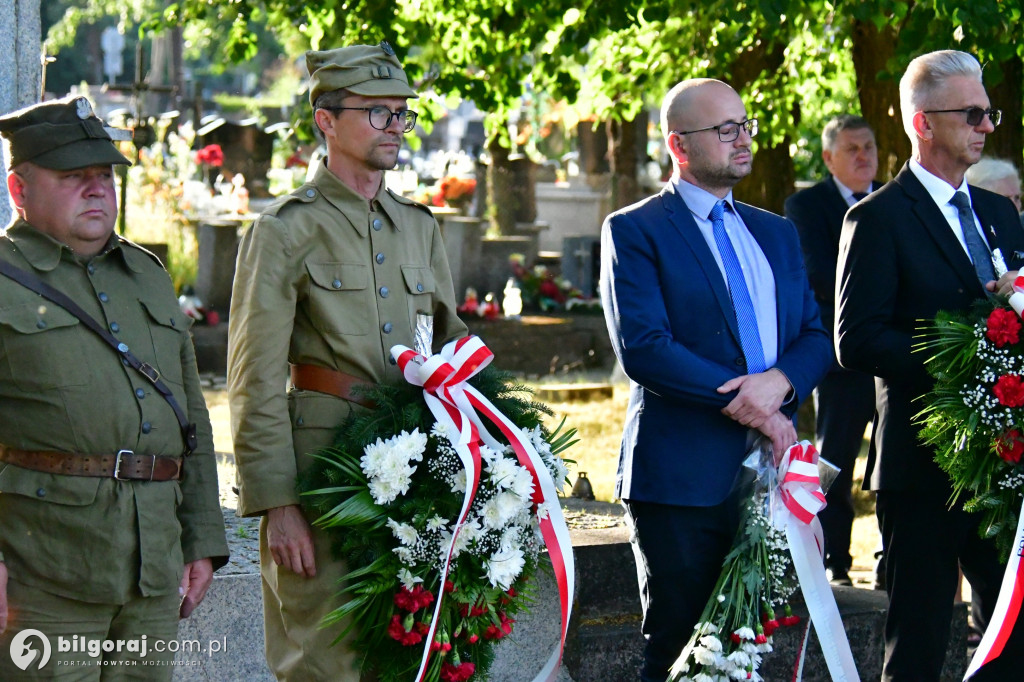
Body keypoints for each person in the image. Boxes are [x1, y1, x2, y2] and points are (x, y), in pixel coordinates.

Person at [227, 42, 467, 681]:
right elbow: (252, 379)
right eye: (378, 113)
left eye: (402, 113)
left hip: (420, 475)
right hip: (323, 477)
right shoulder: (284, 229)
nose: (396, 127)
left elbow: (452, 351)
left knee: (421, 654)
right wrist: (278, 504)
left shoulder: (419, 227)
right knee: (325, 662)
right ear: (326, 120)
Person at [600, 78, 831, 682]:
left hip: (772, 475)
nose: (743, 139)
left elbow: (814, 335)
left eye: (745, 124)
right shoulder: (637, 229)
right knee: (681, 647)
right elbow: (646, 348)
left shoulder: (774, 231)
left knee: (750, 646)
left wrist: (779, 382)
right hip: (681, 480)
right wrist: (754, 403)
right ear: (679, 145)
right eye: (725, 129)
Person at [0, 95, 228, 678]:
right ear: (19, 191)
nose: (97, 189)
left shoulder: (147, 274)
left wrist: (200, 537)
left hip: (152, 571)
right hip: (45, 572)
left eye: (103, 175)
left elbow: (192, 419)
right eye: (74, 177)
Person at [836, 49, 1024, 680]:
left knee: (1012, 637)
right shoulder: (877, 218)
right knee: (917, 645)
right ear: (922, 122)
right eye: (972, 113)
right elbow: (856, 340)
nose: (987, 126)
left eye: (989, 112)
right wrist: (967, 347)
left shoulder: (998, 212)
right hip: (922, 466)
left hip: (1003, 463)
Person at [784, 114, 880, 587]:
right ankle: (834, 560)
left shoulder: (890, 200)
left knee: (893, 465)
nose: (864, 157)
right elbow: (819, 273)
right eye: (852, 149)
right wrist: (883, 289)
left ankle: (890, 558)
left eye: (869, 147)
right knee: (835, 462)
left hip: (891, 356)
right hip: (840, 357)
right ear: (828, 158)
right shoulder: (808, 206)